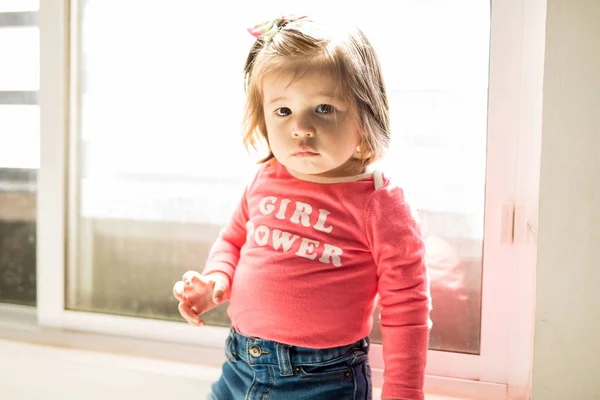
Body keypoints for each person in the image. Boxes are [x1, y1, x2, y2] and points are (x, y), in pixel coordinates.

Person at [172, 15, 431, 400]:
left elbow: (406, 305)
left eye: (323, 108)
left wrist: (404, 391)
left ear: (365, 115)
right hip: (241, 364)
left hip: (324, 378)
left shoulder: (379, 203)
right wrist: (215, 281)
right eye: (283, 111)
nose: (301, 128)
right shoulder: (266, 178)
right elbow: (232, 241)